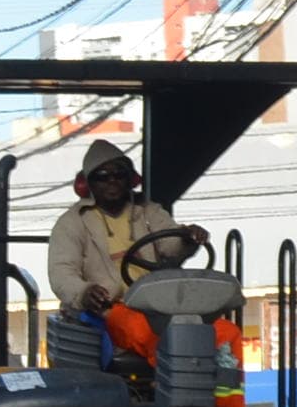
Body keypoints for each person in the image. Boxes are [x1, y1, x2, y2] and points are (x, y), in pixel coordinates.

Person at [45, 138, 194, 371]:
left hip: (159, 304)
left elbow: (171, 246)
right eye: (102, 176)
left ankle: (223, 395)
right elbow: (61, 273)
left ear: (130, 179)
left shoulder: (149, 211)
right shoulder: (72, 223)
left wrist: (187, 237)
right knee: (162, 339)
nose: (112, 181)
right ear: (88, 183)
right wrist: (84, 292)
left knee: (223, 334)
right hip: (109, 310)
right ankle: (180, 389)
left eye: (119, 174)